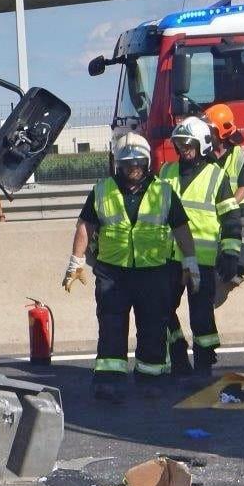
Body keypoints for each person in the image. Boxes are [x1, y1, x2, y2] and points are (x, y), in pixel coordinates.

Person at [63, 132, 199, 403]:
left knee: (152, 327)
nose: (133, 168)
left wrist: (190, 262)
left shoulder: (163, 191)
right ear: (119, 164)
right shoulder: (102, 190)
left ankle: (150, 379)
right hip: (113, 272)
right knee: (111, 327)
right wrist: (75, 262)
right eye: (127, 164)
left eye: (138, 163)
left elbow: (181, 229)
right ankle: (109, 381)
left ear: (146, 163)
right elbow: (86, 226)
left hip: (153, 271)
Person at [159, 118, 242, 376]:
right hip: (169, 257)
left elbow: (231, 217)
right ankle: (177, 354)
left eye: (189, 144)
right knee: (161, 309)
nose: (184, 149)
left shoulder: (216, 176)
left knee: (201, 315)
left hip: (202, 260)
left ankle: (204, 363)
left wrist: (230, 252)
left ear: (202, 144)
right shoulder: (166, 172)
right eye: (180, 144)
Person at [204, 103, 244, 304]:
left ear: (221, 132)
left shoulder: (239, 154)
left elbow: (243, 186)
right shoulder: (203, 153)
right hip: (206, 207)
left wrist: (229, 205)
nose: (207, 133)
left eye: (210, 129)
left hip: (230, 205)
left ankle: (239, 266)